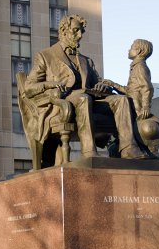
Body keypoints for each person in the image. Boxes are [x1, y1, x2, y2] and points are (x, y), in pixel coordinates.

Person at [26, 14, 147, 159]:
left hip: (90, 98)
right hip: (62, 102)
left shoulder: (86, 60)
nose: (79, 35)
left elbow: (97, 82)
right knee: (83, 98)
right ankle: (89, 152)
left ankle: (128, 148)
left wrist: (102, 87)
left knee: (122, 100)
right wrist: (51, 85)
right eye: (75, 30)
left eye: (81, 32)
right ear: (64, 31)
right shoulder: (45, 56)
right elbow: (29, 87)